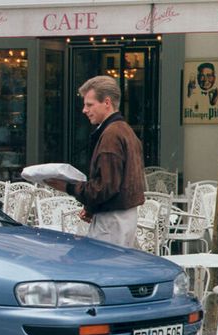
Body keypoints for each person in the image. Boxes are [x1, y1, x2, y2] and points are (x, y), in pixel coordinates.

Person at [45, 75, 145, 248]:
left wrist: (68, 187)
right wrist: (92, 207)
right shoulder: (125, 130)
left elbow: (105, 188)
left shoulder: (111, 135)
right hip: (122, 216)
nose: (85, 110)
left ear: (107, 103)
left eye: (89, 104)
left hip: (112, 220)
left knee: (102, 271)